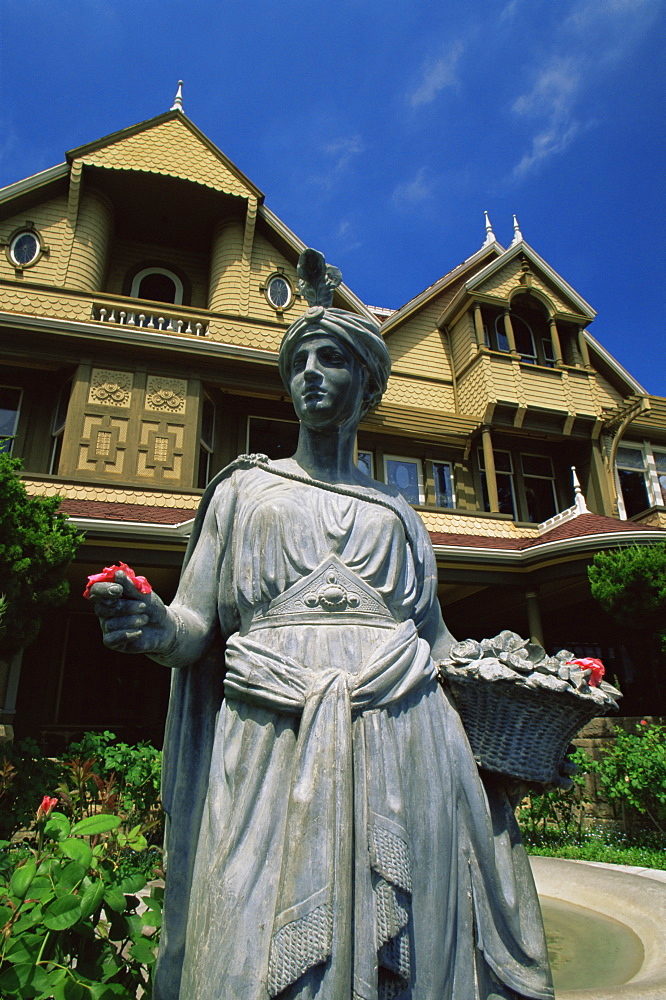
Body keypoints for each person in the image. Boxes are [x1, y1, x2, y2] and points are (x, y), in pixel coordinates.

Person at [90, 250, 554, 1000]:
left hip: (406, 732)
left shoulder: (400, 515)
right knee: (241, 934)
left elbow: (436, 644)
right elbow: (193, 626)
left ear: (365, 385)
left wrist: (519, 671)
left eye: (331, 358)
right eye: (299, 359)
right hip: (268, 736)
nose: (310, 372)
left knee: (401, 952)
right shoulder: (245, 489)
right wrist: (152, 626)